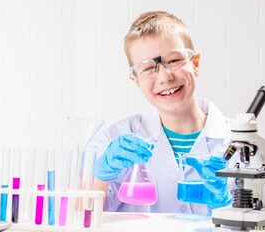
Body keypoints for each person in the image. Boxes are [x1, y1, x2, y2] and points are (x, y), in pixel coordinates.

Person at [90, 11, 237, 214]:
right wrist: (102, 176)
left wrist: (225, 206)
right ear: (137, 82)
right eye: (149, 68)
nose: (165, 76)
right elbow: (84, 215)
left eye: (175, 60)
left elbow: (263, 222)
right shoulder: (114, 141)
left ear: (195, 64)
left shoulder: (239, 142)